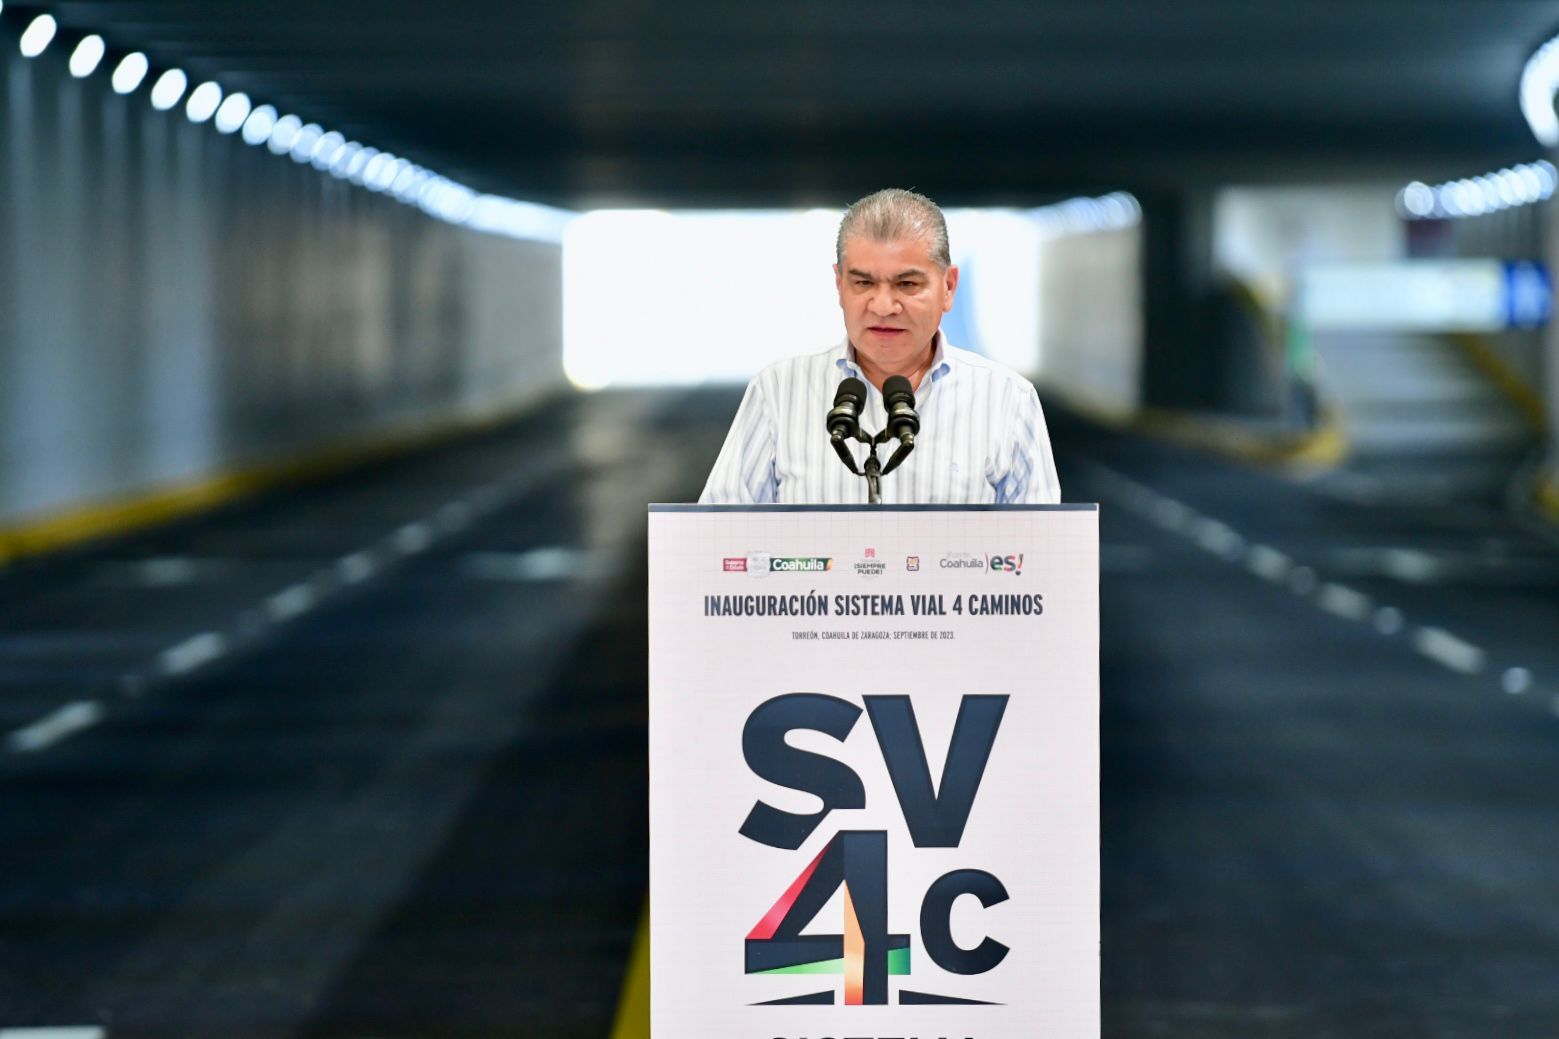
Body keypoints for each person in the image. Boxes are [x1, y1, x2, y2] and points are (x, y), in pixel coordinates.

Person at [699, 188, 1061, 505]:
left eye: (907, 284)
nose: (884, 306)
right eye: (863, 283)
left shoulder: (1009, 400)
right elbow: (716, 538)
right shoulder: (777, 392)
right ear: (839, 284)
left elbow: (1044, 550)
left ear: (948, 287)